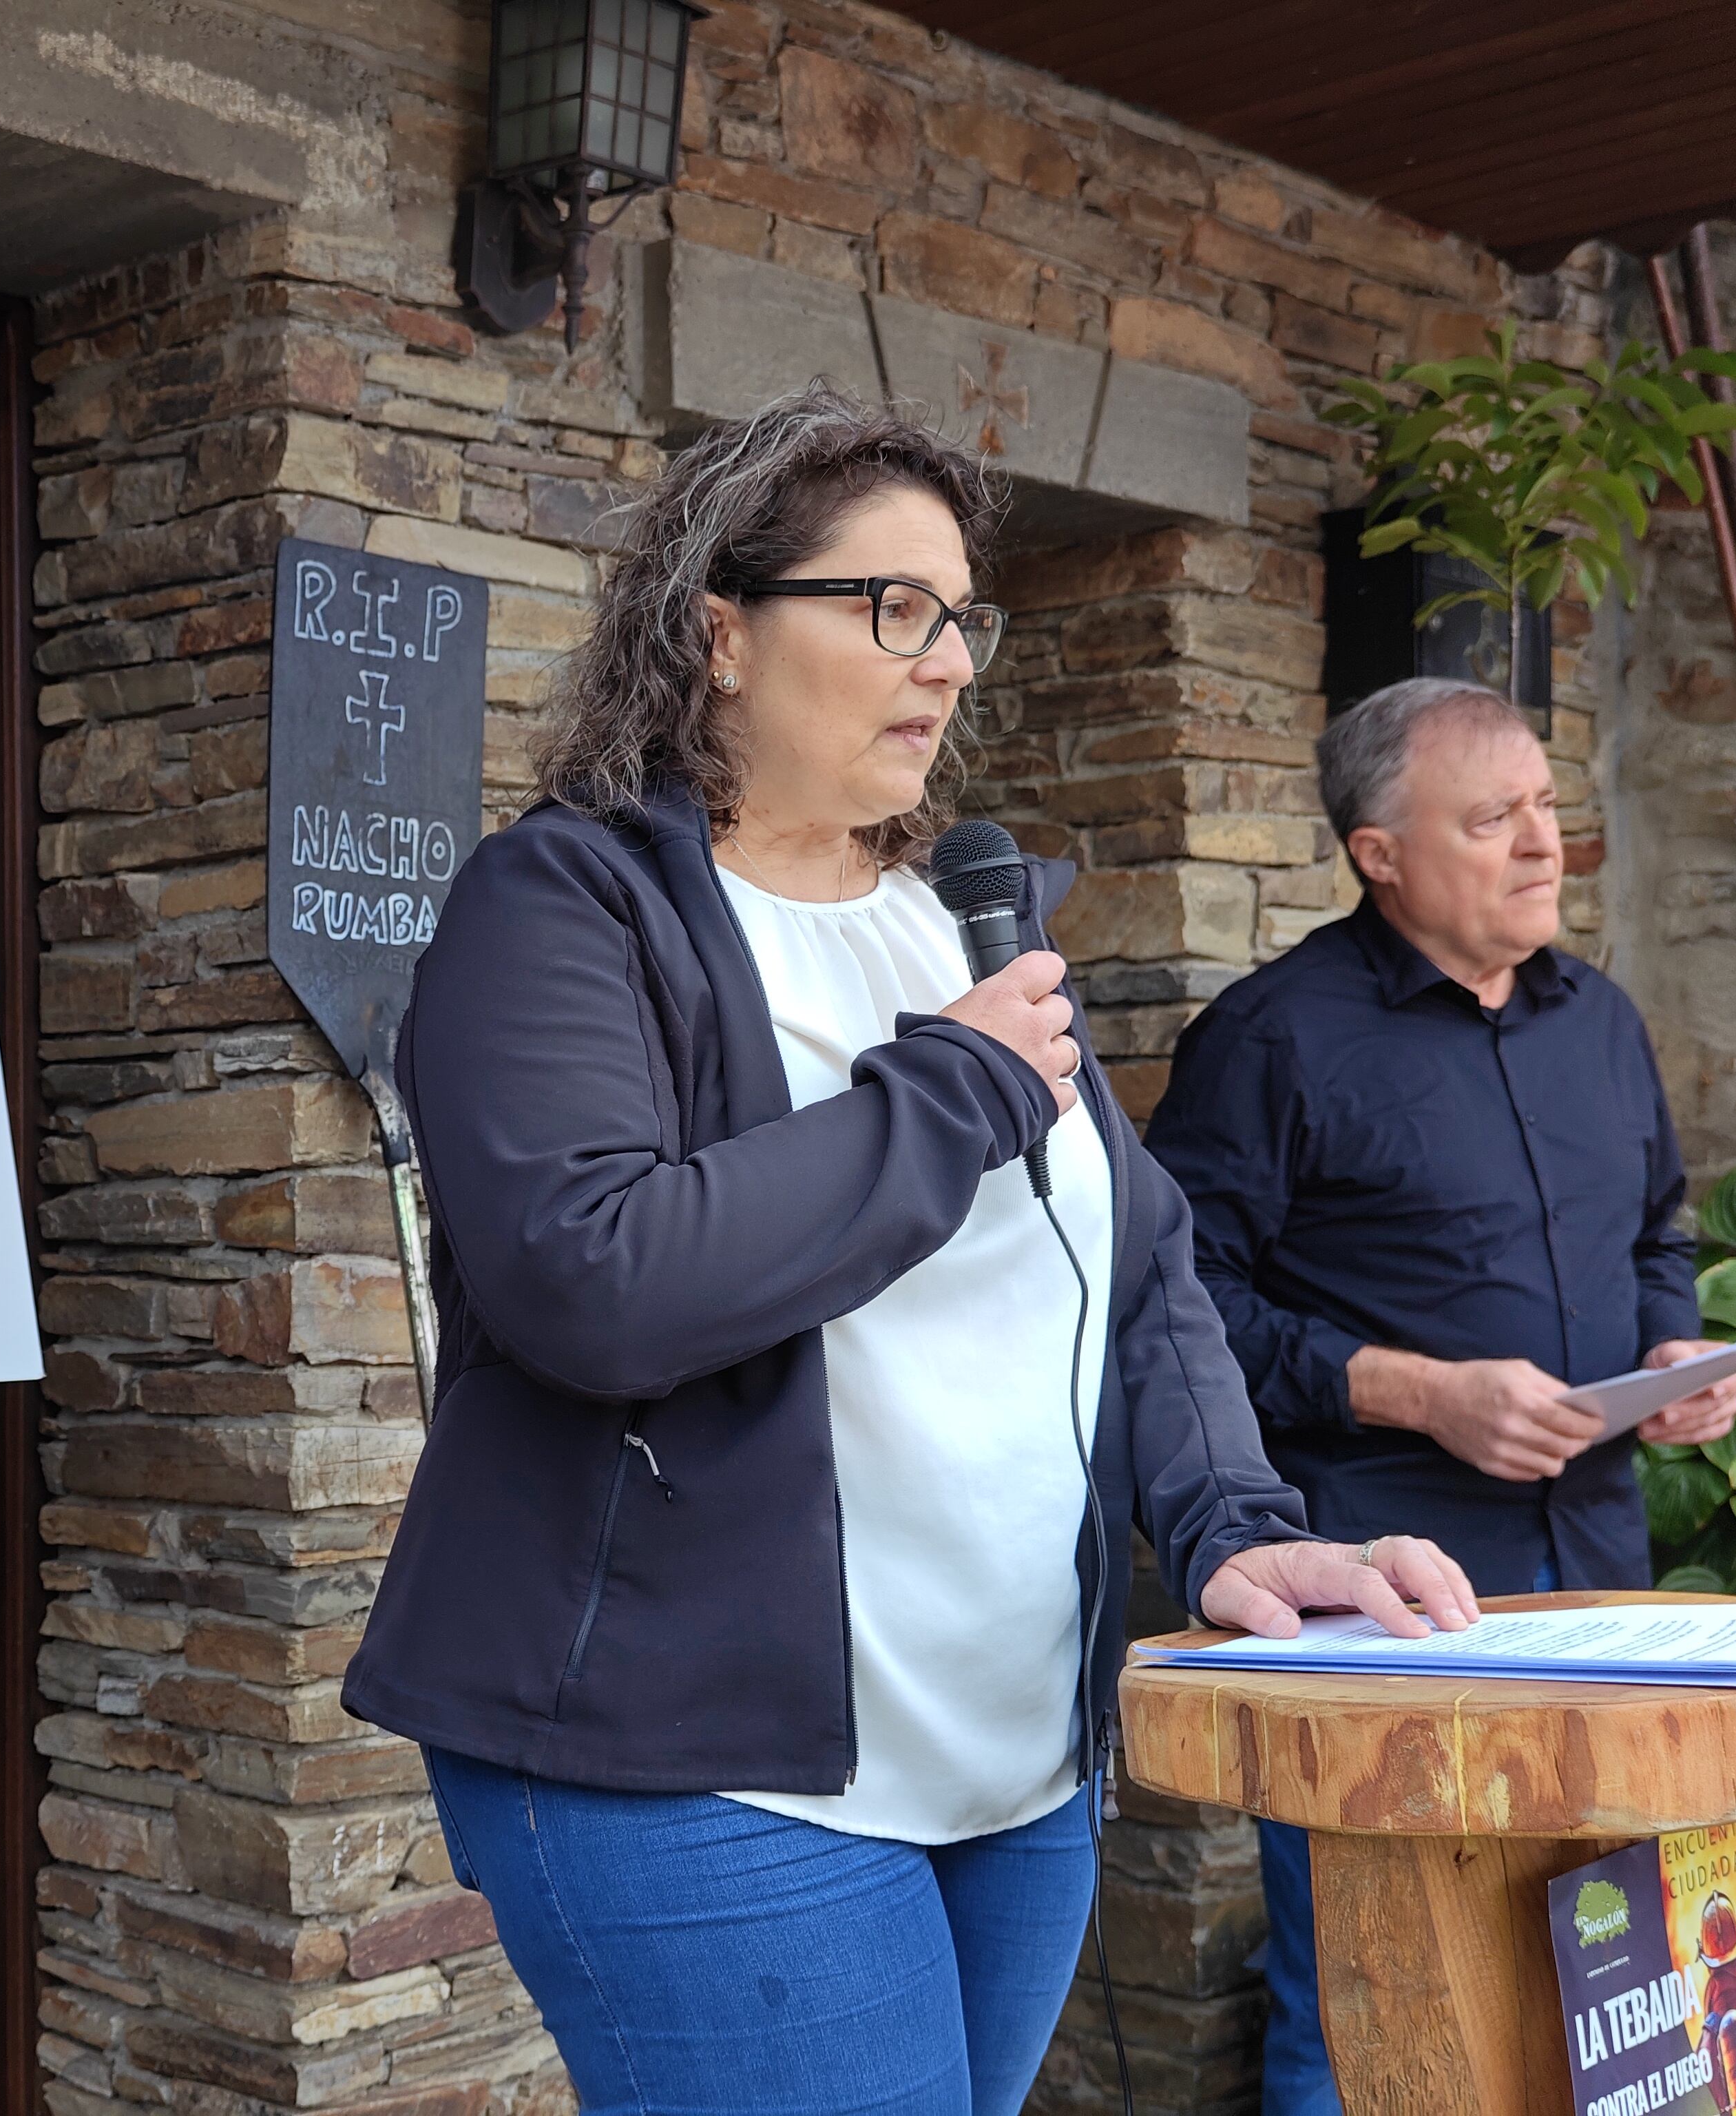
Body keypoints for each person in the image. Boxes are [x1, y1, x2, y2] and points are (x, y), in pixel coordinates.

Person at [337, 384, 1478, 2116]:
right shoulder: (565, 903)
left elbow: (1140, 1267)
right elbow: (597, 1273)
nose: (947, 661)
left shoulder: (962, 919)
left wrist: (1238, 1524)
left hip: (1013, 1759)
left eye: (963, 618)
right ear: (718, 629)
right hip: (698, 1766)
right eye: (892, 608)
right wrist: (949, 1085)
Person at [1144, 676, 1736, 2116]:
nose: (1543, 843)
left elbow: (1654, 1232)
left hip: (1596, 1566)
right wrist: (1414, 1392)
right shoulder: (1268, 1038)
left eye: (1543, 805)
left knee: (1617, 1971)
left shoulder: (1596, 1018)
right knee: (1369, 1989)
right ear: (1377, 853)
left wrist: (1669, 1353)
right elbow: (1170, 1309)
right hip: (1386, 1598)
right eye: (1491, 819)